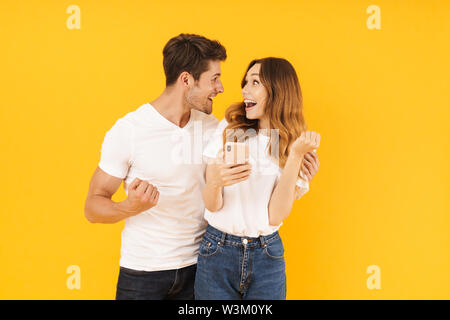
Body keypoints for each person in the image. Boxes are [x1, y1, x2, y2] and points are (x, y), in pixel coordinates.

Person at [84, 33, 227, 300]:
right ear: (186, 80)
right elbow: (92, 207)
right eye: (214, 79)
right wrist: (130, 207)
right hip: (143, 274)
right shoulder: (130, 130)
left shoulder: (211, 126)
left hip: (202, 270)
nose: (220, 88)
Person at [194, 57, 321, 300]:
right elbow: (212, 204)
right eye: (245, 82)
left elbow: (275, 215)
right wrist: (216, 182)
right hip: (217, 250)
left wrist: (294, 157)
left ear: (278, 90)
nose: (244, 89)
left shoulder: (297, 148)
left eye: (255, 82)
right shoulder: (228, 130)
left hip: (267, 256)